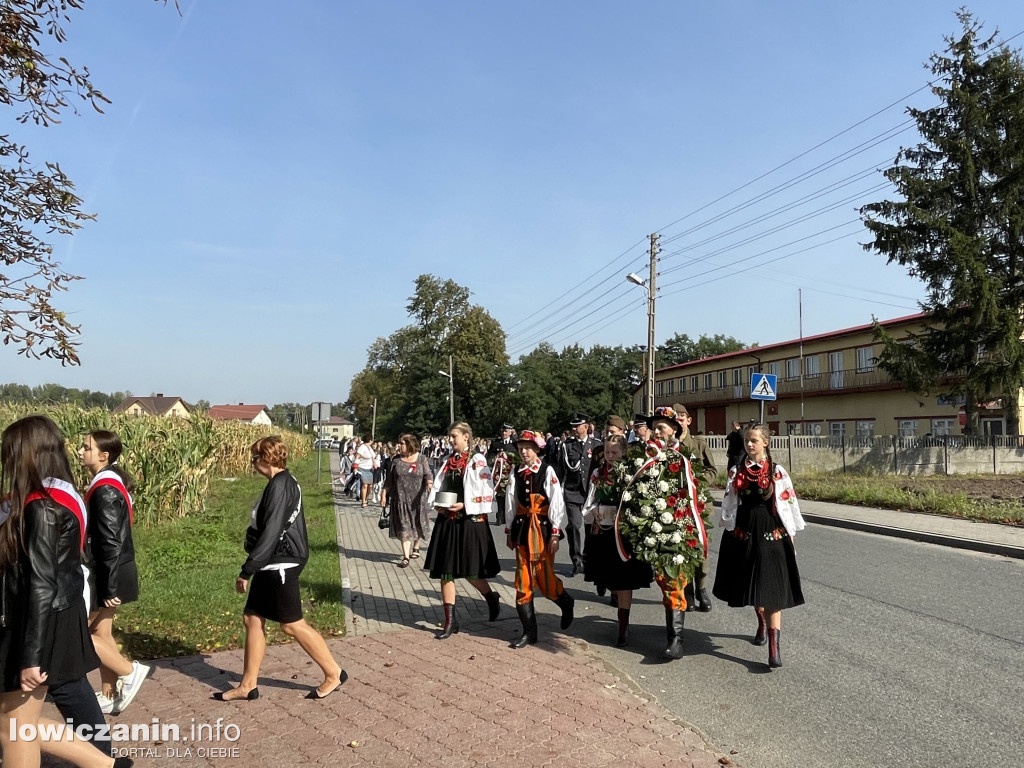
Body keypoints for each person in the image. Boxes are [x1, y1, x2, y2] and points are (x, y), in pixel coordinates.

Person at [0, 415, 135, 768]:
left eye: (9, 452)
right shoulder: (48, 499)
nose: (5, 459)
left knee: (15, 727)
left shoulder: (41, 507)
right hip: (53, 614)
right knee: (19, 725)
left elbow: (42, 583)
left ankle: (104, 762)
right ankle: (105, 763)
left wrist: (31, 654)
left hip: (43, 619)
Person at [220, 436, 346, 701]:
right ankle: (247, 685)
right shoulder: (279, 483)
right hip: (273, 562)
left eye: (255, 458)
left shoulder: (281, 485)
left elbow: (273, 530)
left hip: (281, 563)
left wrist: (247, 569)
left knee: (291, 624)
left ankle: (334, 672)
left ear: (265, 458)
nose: (252, 463)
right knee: (252, 618)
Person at [713, 422, 805, 669]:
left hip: (772, 532)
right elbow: (730, 503)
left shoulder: (778, 472)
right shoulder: (736, 471)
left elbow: (789, 505)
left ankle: (774, 649)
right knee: (754, 585)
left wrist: (791, 538)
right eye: (746, 440)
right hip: (745, 533)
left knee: (771, 588)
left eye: (754, 440)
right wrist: (730, 531)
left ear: (765, 442)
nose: (749, 444)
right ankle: (762, 622)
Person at [79, 430, 149, 717]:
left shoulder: (105, 488)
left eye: (86, 448)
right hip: (116, 569)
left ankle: (129, 672)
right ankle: (109, 693)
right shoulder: (109, 482)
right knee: (101, 632)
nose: (81, 452)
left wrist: (108, 589)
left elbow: (109, 541)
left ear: (104, 455)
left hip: (109, 572)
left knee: (81, 634)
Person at [423, 423, 501, 639]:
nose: (450, 439)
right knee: (446, 572)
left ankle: (490, 597)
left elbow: (486, 491)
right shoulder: (449, 460)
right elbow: (440, 485)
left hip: (469, 521)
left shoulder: (477, 460)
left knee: (470, 572)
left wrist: (465, 506)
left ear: (466, 437)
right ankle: (450, 621)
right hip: (448, 519)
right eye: (449, 436)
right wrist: (437, 502)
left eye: (454, 436)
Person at [503, 430, 575, 648]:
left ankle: (564, 600)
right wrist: (508, 529)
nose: (524, 451)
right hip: (523, 529)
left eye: (528, 447)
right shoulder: (515, 472)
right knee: (522, 581)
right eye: (520, 447)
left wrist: (555, 532)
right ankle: (529, 632)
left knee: (545, 579)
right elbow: (510, 502)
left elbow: (556, 502)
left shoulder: (547, 470)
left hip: (542, 531)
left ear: (536, 449)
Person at [582, 434, 652, 647]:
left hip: (624, 534)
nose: (611, 456)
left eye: (615, 452)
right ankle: (620, 618)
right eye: (607, 452)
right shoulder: (598, 473)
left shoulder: (632, 473)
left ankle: (623, 627)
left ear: (624, 452)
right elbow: (590, 500)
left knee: (624, 581)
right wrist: (594, 511)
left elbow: (641, 501)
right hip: (604, 532)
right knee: (610, 578)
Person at [672, 403, 718, 613]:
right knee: (681, 549)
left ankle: (702, 589)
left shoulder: (699, 444)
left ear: (689, 421)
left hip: (699, 506)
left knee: (701, 550)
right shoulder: (668, 445)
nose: (679, 421)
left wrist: (697, 481)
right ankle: (687, 591)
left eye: (682, 418)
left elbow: (713, 470)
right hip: (677, 507)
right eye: (675, 419)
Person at [553, 413, 599, 577]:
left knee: (589, 529)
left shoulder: (596, 445)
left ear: (586, 427)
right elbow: (560, 469)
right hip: (572, 492)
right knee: (575, 526)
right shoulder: (566, 446)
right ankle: (576, 561)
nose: (573, 428)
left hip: (590, 493)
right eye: (572, 426)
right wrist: (555, 490)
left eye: (576, 426)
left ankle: (588, 560)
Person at [379, 434, 432, 567]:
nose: (399, 446)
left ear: (410, 445)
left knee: (417, 524)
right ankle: (406, 557)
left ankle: (416, 546)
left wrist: (430, 483)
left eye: (402, 443)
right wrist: (384, 494)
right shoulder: (396, 460)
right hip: (400, 500)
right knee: (404, 526)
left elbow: (428, 474)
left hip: (418, 500)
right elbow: (389, 479)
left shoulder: (421, 459)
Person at [354, 436, 377, 508]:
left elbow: (372, 456)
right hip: (362, 468)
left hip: (369, 469)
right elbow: (357, 457)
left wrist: (374, 463)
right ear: (370, 440)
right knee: (365, 485)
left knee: (370, 486)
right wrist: (355, 468)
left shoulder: (370, 448)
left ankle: (366, 497)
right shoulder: (362, 447)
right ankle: (363, 501)